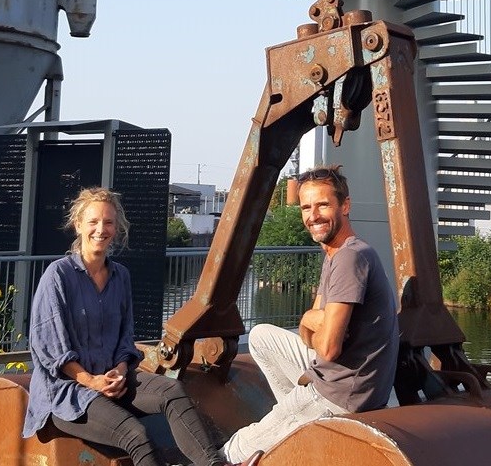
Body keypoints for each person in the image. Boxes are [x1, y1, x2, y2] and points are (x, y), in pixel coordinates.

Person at [23, 186, 261, 466]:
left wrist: (121, 371)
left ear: (117, 228)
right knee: (136, 435)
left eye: (108, 222)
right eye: (93, 222)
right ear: (78, 225)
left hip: (114, 380)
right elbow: (50, 349)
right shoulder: (58, 276)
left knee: (173, 392)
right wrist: (93, 381)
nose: (101, 229)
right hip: (69, 393)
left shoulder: (120, 276)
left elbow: (125, 340)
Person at [222, 166, 399, 462]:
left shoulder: (349, 258)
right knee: (261, 336)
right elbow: (309, 333)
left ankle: (298, 421)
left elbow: (328, 347)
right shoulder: (335, 252)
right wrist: (310, 321)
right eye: (306, 207)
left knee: (232, 449)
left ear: (345, 205)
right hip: (347, 379)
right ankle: (294, 420)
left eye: (323, 205)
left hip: (341, 393)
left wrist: (312, 321)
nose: (313, 215)